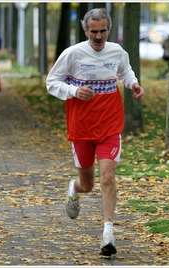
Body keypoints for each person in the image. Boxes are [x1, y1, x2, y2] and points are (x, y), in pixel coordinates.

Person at [46, 8, 145, 257]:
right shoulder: (73, 54)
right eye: (94, 32)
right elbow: (51, 82)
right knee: (88, 185)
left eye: (102, 31)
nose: (98, 37)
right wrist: (73, 91)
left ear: (108, 30)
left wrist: (133, 84)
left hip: (110, 123)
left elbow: (124, 71)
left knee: (108, 178)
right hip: (81, 126)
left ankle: (108, 234)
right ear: (85, 30)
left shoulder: (117, 51)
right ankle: (74, 188)